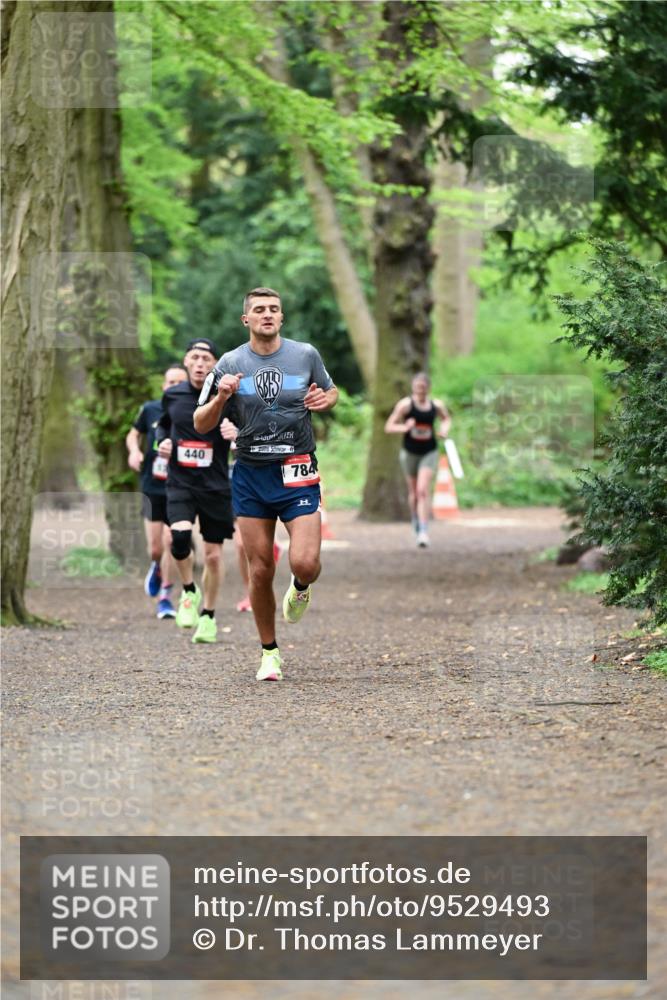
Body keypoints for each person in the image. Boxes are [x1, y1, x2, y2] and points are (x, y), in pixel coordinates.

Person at [194, 286, 338, 682]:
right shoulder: (228, 362)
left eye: (274, 309)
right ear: (247, 319)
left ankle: (302, 585)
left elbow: (331, 389)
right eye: (259, 309)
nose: (267, 314)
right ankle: (269, 653)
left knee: (305, 562)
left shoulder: (304, 354)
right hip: (251, 474)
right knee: (260, 569)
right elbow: (200, 422)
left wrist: (328, 400)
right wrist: (222, 398)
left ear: (281, 317)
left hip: (297, 468)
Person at [155, 338, 235, 644]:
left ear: (215, 365)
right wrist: (162, 441)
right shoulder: (173, 395)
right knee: (179, 538)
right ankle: (189, 590)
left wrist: (236, 432)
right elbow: (163, 425)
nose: (200, 363)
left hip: (215, 485)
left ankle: (209, 616)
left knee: (213, 556)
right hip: (180, 482)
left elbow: (246, 427)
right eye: (195, 357)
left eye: (206, 358)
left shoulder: (227, 398)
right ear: (186, 362)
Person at [126, 364, 188, 618]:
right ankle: (157, 566)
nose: (174, 387)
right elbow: (133, 434)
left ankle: (165, 595)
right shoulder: (150, 409)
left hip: (180, 484)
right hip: (153, 484)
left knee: (171, 539)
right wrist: (135, 451)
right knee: (155, 548)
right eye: (170, 382)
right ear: (163, 386)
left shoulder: (193, 411)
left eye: (179, 383)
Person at [385, 372, 451, 548]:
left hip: (429, 452)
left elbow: (446, 419)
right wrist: (404, 427)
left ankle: (423, 531)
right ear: (413, 387)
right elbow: (389, 426)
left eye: (423, 387)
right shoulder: (405, 406)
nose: (420, 390)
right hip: (409, 453)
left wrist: (444, 430)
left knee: (422, 490)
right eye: (417, 387)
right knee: (413, 493)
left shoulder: (436, 406)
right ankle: (415, 520)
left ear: (428, 388)